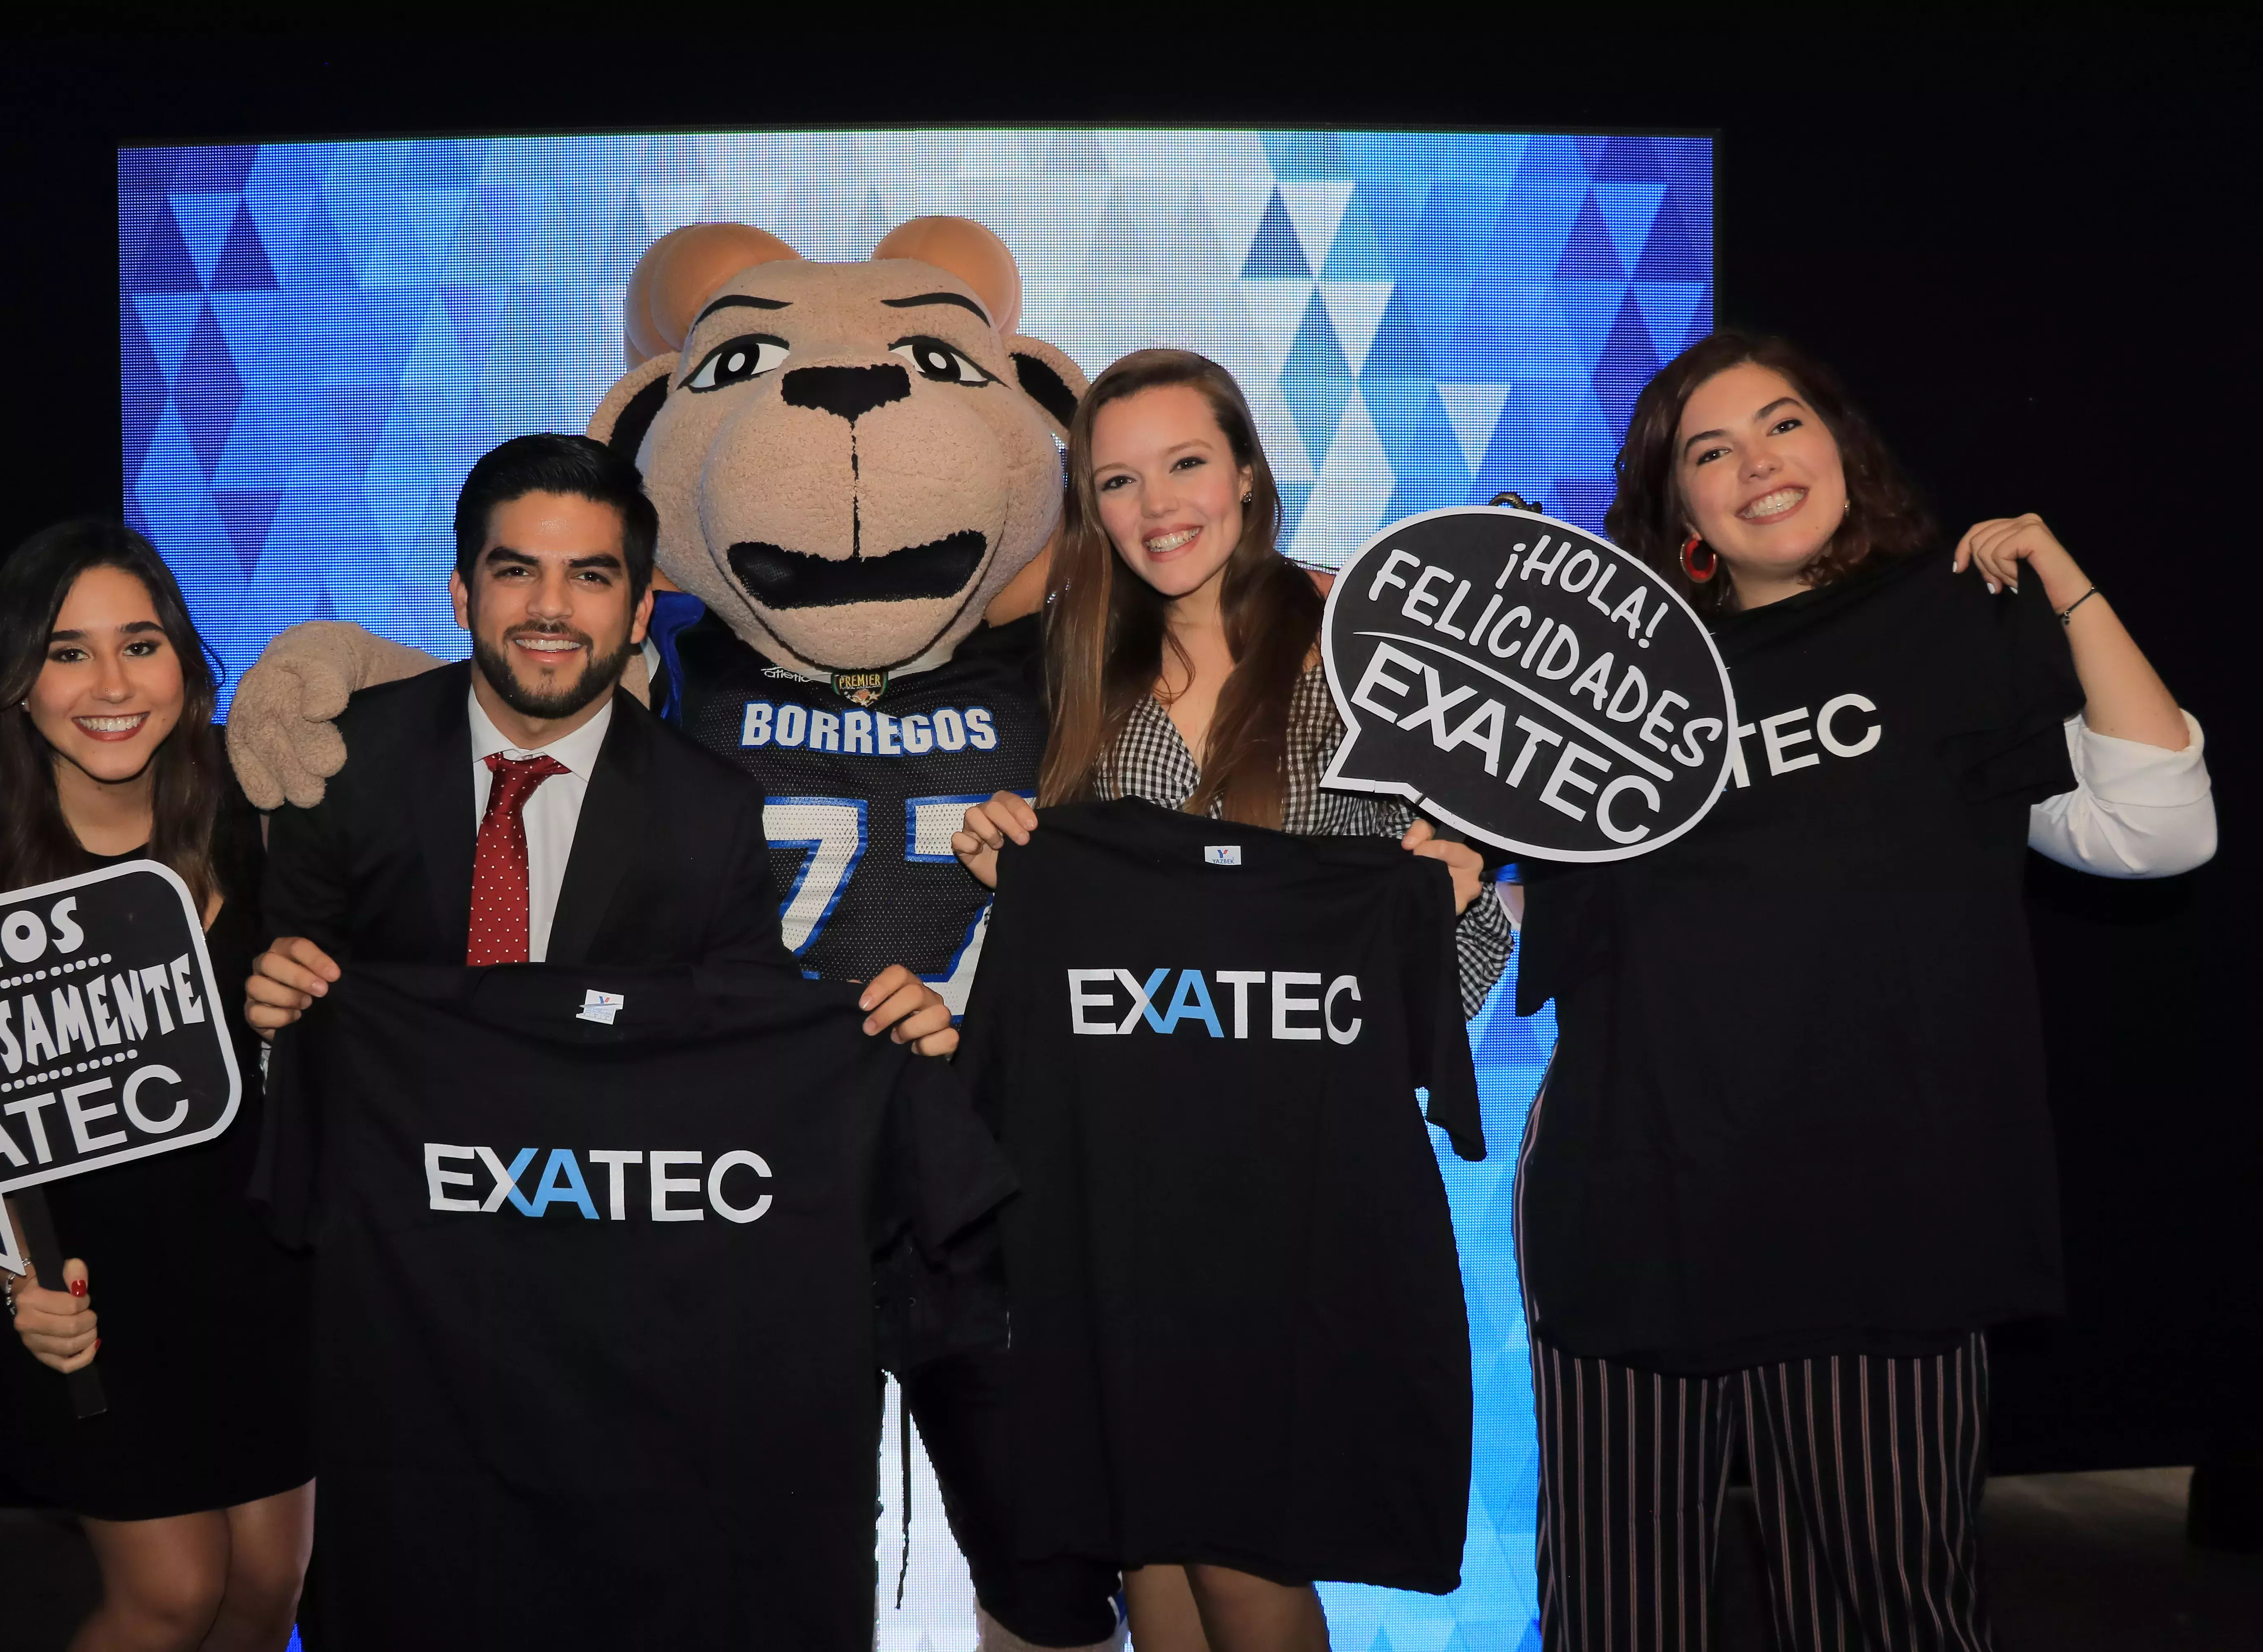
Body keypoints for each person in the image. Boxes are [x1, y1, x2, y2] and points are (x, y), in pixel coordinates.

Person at [1515, 330, 2216, 1652]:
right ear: (1684, 514)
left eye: (1783, 425)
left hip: (1884, 1214)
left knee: (1887, 1619)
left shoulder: (1952, 631)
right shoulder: (1609, 697)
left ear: (1843, 449)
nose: (1756, 463)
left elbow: (2164, 829)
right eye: (1709, 451)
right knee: (1616, 1621)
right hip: (1632, 1204)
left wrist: (2066, 581)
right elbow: (1529, 927)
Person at [951, 348, 1512, 1652]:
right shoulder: (1088, 685)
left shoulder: (1365, 668)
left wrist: (1458, 896)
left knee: (1237, 1545)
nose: (1158, 507)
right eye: (1119, 482)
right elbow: (1101, 965)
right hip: (1127, 1194)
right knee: (1145, 1525)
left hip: (1290, 1193)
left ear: (1250, 475)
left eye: (1187, 464)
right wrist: (1012, 882)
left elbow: (1448, 990)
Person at [0, 522, 312, 1652]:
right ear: (16, 685)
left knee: (268, 1592)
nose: (110, 684)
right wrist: (14, 1288)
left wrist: (303, 992)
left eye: (139, 644)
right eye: (67, 651)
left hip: (263, 1267)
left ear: (184, 662)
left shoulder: (264, 813)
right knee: (174, 1597)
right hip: (88, 1293)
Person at [242, 431, 955, 1048]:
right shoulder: (342, 763)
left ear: (640, 612)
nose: (550, 608)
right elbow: (295, 981)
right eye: (517, 571)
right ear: (463, 595)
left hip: (609, 1195)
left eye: (590, 577)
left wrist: (870, 1030)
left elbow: (748, 1034)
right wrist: (278, 1002)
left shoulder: (709, 807)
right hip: (393, 1184)